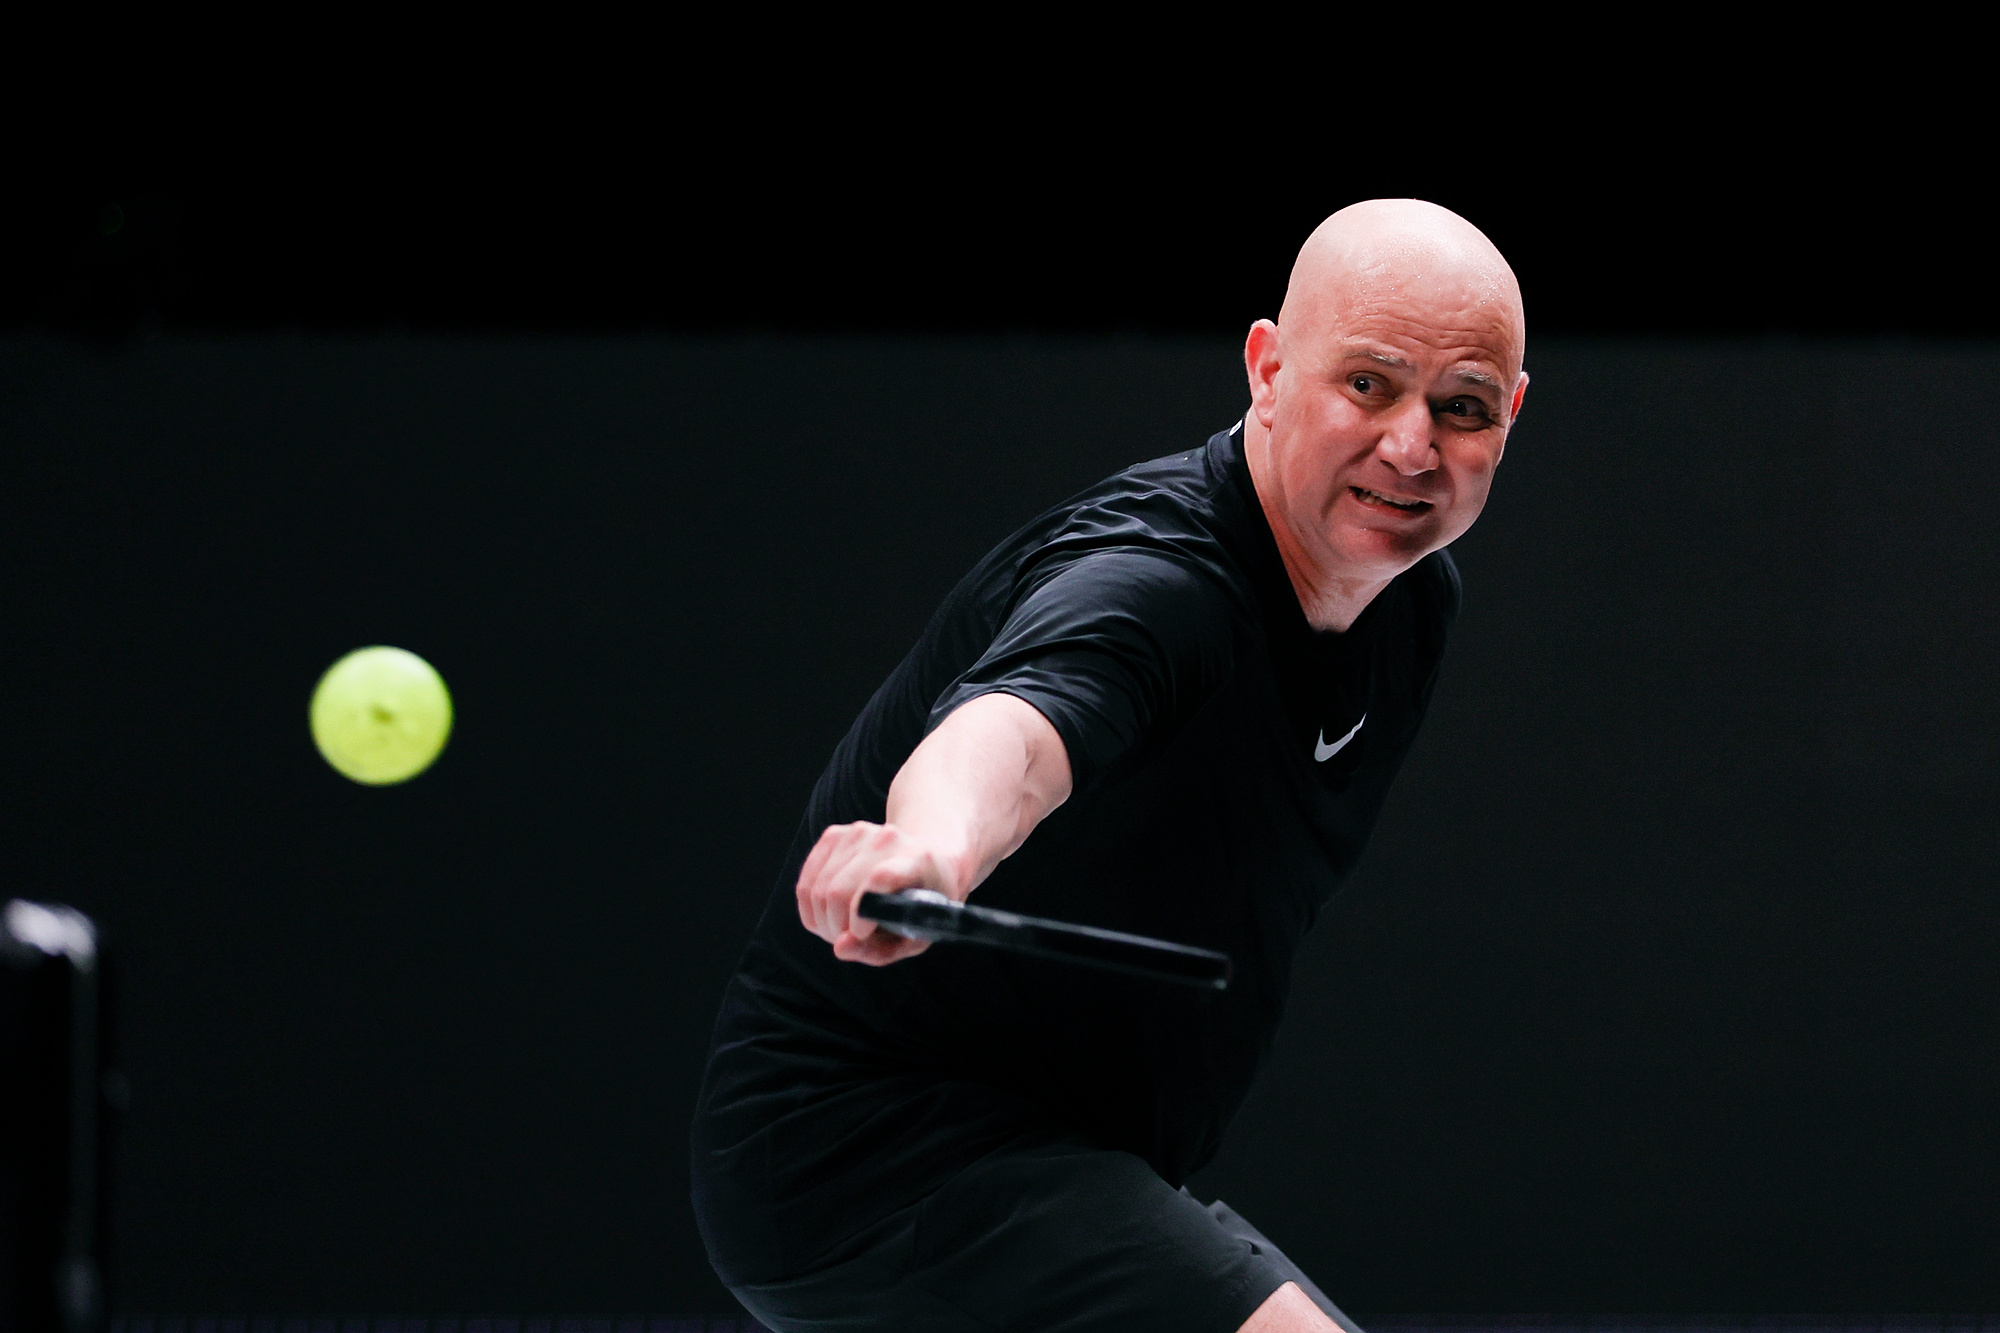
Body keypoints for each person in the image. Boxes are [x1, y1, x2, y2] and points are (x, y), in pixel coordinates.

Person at [691, 199, 1529, 1333]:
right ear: (1267, 369)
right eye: (1368, 386)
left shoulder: (1411, 604)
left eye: (1461, 407)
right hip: (877, 1160)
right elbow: (1018, 727)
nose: (1412, 447)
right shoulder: (1161, 584)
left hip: (1083, 1163)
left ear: (1509, 416)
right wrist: (930, 847)